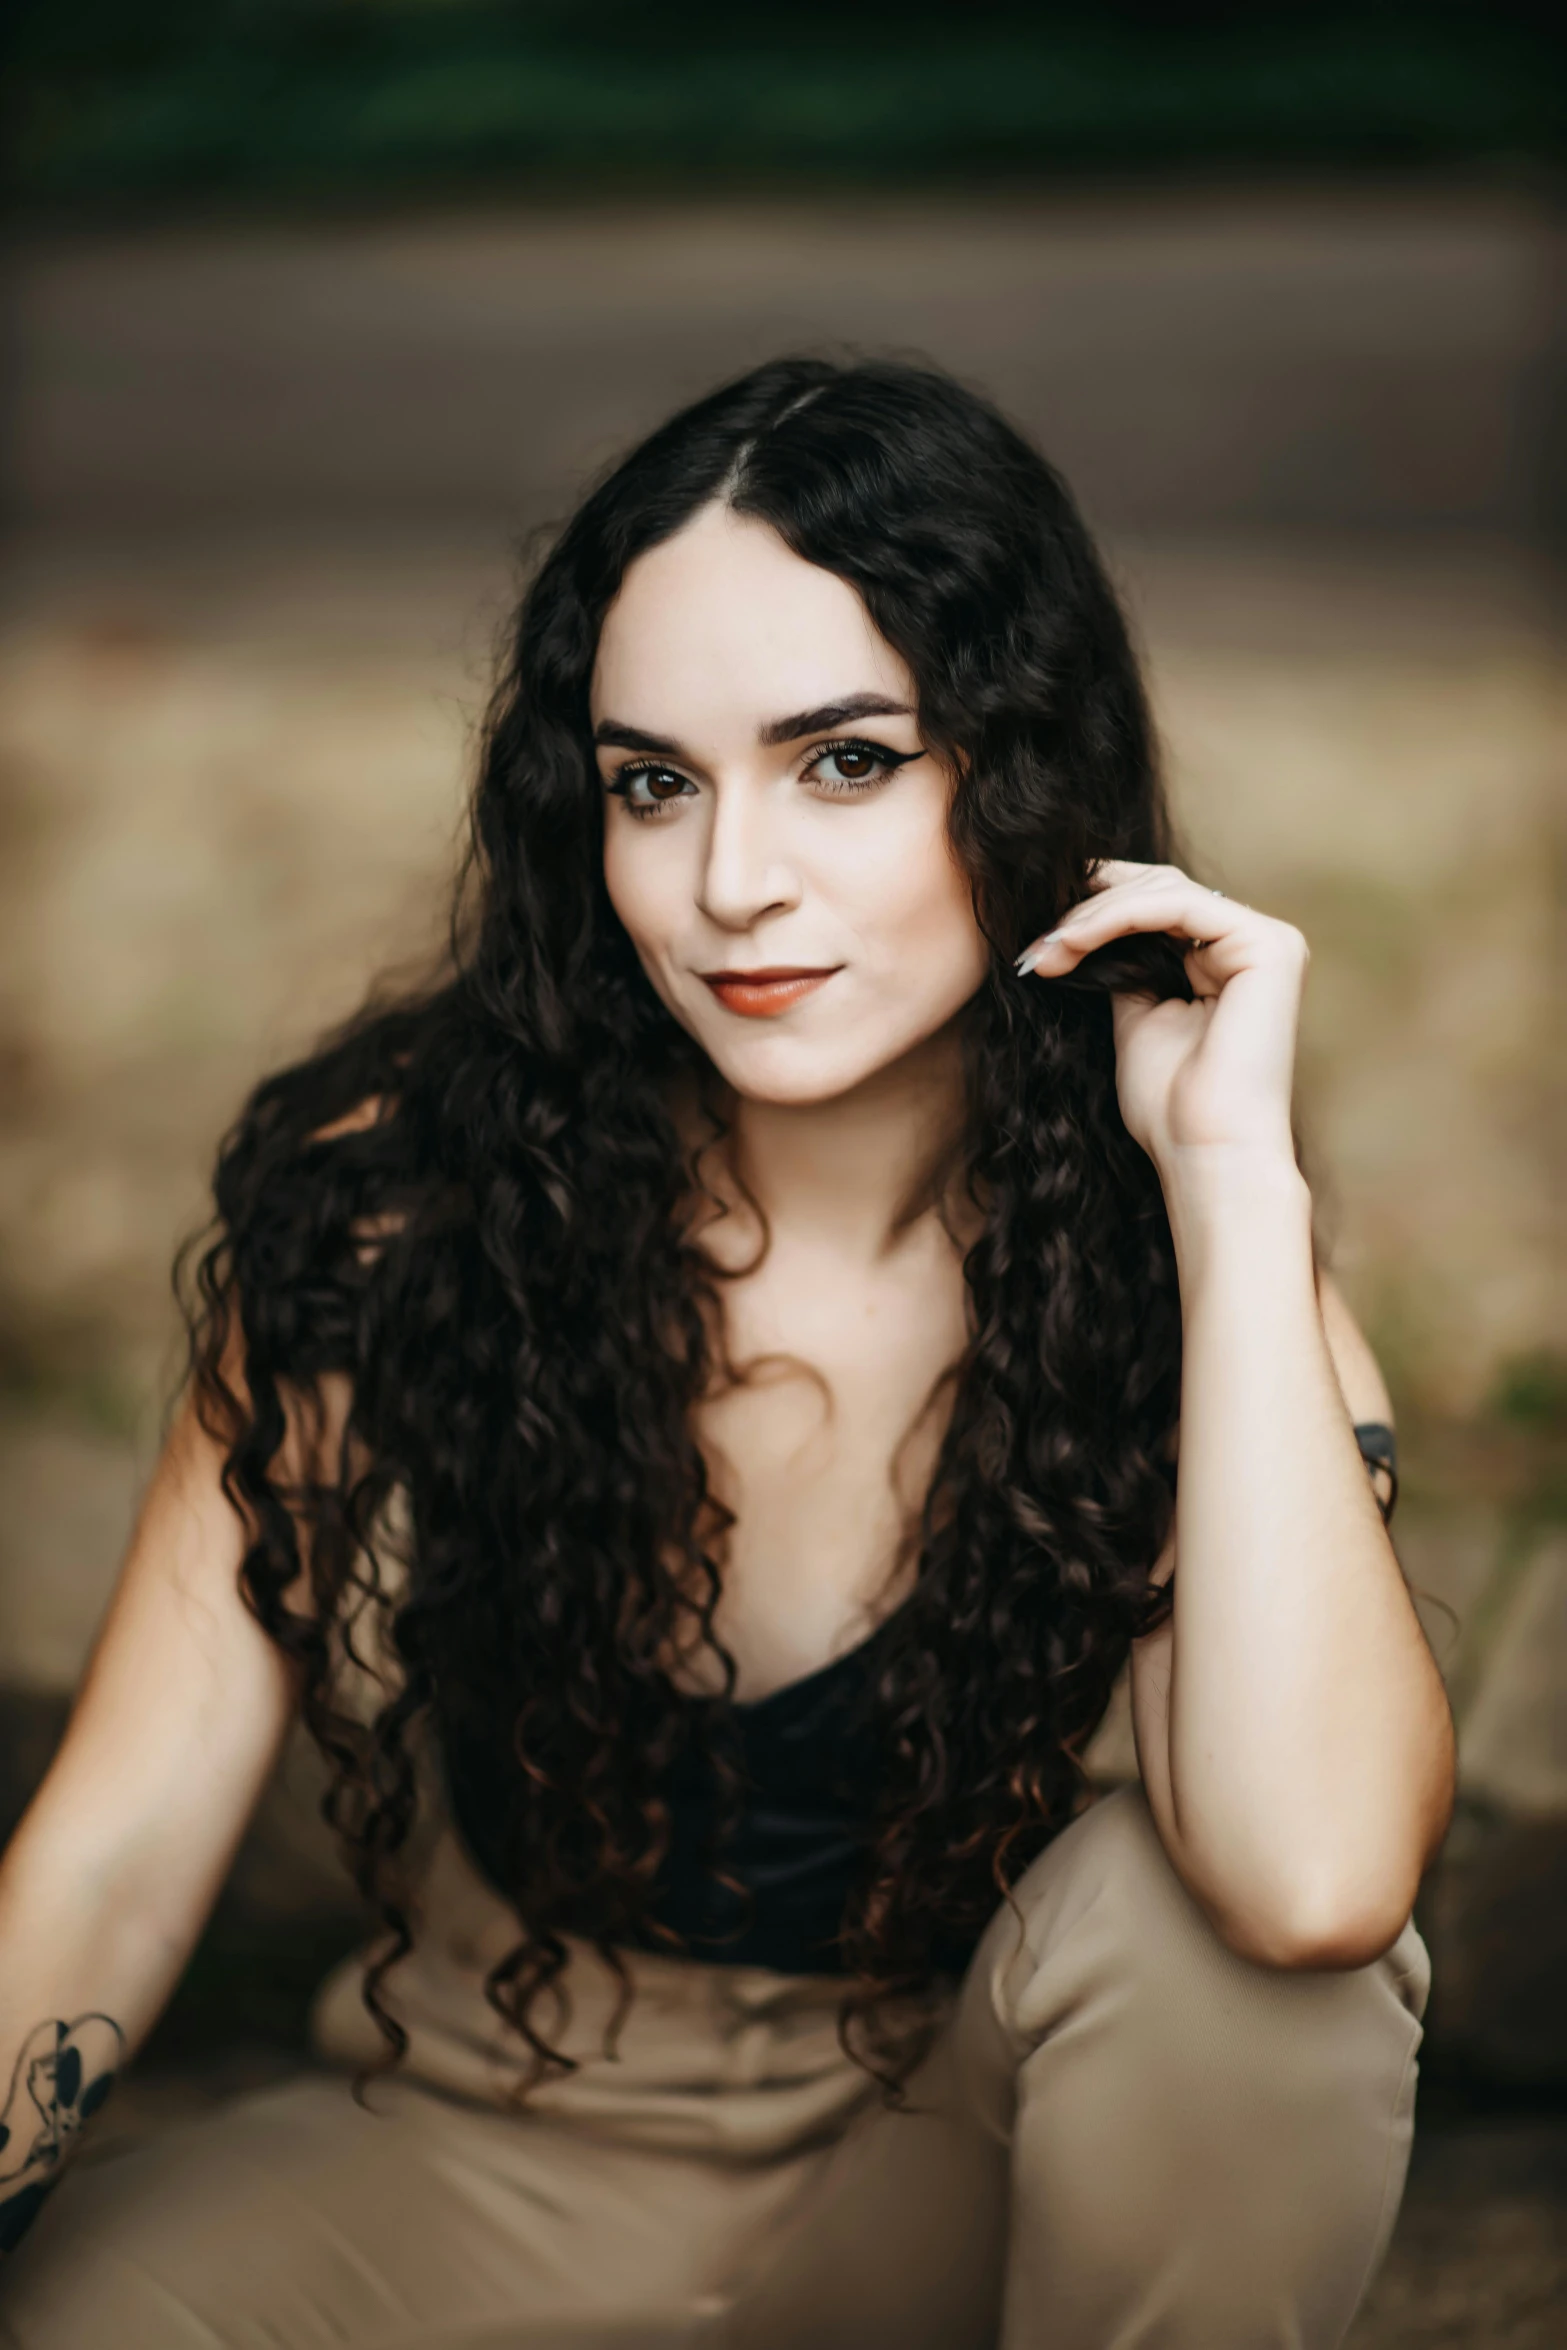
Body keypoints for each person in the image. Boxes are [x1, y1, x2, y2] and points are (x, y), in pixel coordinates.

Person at [0, 357, 1452, 2349]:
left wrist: (1229, 1191)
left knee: (1225, 1966)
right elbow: (116, 1844)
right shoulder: (409, 1202)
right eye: (652, 779)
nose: (727, 881)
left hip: (935, 2188)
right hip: (467, 2157)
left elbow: (1317, 1887)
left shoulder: (1184, 1270)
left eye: (844, 759)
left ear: (1020, 773)